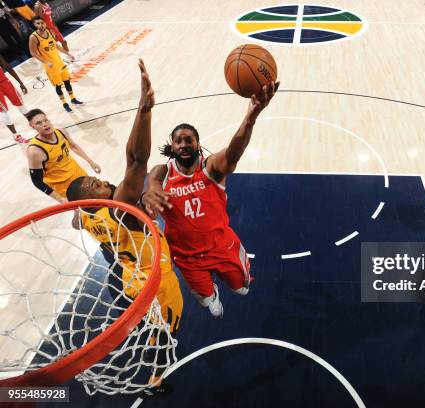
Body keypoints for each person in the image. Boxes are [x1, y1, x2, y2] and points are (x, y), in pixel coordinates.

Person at [66, 60, 183, 396]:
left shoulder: (87, 217)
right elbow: (136, 159)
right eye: (94, 184)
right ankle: (154, 379)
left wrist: (77, 205)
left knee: (150, 326)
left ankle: (151, 345)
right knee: (164, 335)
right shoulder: (120, 212)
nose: (101, 179)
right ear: (94, 200)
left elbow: (76, 217)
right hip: (156, 283)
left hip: (132, 279)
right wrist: (144, 110)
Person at [142, 80, 278, 318]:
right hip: (186, 256)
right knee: (206, 302)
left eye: (189, 140)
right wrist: (150, 191)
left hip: (221, 246)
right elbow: (152, 182)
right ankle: (211, 292)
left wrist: (251, 117)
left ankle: (228, 278)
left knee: (243, 290)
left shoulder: (211, 167)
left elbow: (234, 151)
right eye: (179, 141)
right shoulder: (162, 173)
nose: (184, 144)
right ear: (172, 146)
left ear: (197, 143)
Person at [26, 108, 100, 202]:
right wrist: (60, 199)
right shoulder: (35, 151)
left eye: (45, 120)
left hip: (78, 173)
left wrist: (91, 162)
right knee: (87, 208)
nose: (44, 124)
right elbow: (37, 181)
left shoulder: (61, 131)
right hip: (64, 186)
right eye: (39, 123)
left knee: (98, 196)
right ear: (32, 126)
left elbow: (73, 146)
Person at [28, 16, 80, 112]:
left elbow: (55, 45)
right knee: (58, 85)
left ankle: (73, 99)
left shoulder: (50, 32)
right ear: (34, 25)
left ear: (45, 23)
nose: (41, 25)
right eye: (38, 23)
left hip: (59, 62)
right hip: (50, 66)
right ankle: (65, 104)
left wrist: (67, 53)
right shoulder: (33, 37)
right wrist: (46, 62)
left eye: (42, 23)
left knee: (67, 81)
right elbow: (33, 53)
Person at [0, 53, 29, 143]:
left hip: (4, 81)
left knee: (19, 103)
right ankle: (16, 135)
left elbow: (7, 66)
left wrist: (21, 83)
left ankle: (33, 122)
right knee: (3, 111)